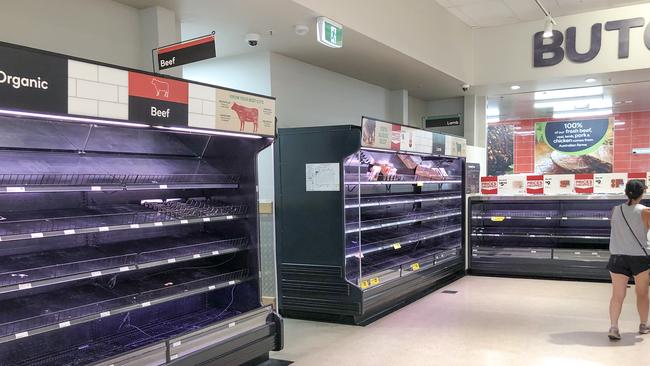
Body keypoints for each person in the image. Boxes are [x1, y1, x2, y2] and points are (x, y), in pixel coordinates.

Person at [607, 179, 650, 340]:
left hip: (618, 257)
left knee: (617, 295)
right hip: (639, 258)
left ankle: (613, 327)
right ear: (642, 193)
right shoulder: (646, 211)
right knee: (642, 293)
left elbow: (616, 229)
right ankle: (644, 324)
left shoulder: (615, 210)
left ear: (626, 192)